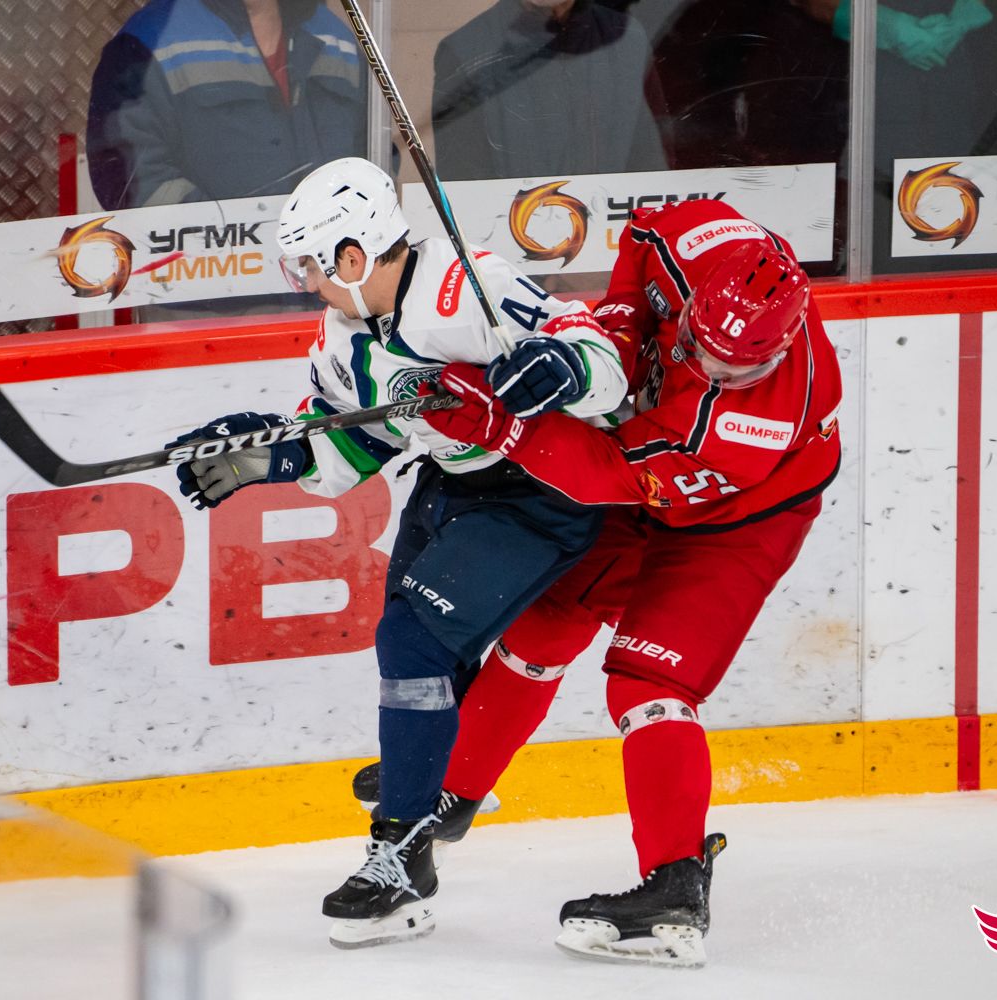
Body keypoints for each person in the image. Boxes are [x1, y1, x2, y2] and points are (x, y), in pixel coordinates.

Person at [166, 156, 629, 948]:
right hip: (454, 484)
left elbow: (604, 365)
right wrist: (262, 458)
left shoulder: (469, 289)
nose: (307, 282)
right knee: (424, 658)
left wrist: (563, 365)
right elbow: (355, 445)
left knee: (412, 641)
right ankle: (431, 784)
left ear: (352, 256)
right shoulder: (342, 335)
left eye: (313, 265)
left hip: (540, 490)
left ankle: (402, 855)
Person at [417, 198, 843, 967]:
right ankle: (446, 793)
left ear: (778, 351)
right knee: (548, 620)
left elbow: (606, 473)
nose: (709, 370)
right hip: (650, 468)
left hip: (740, 517)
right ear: (699, 300)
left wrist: (500, 425)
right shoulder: (698, 238)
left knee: (648, 680)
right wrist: (609, 340)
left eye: (735, 370)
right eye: (699, 347)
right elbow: (643, 238)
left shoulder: (744, 425)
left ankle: (674, 890)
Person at [85, 0, 366, 211]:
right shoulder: (147, 41)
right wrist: (227, 241)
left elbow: (371, 156)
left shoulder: (339, 41)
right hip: (207, 267)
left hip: (327, 268)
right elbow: (130, 180)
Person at [431, 0, 666, 181]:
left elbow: (650, 167)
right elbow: (464, 195)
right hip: (515, 227)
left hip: (616, 226)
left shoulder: (627, 40)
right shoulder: (465, 52)